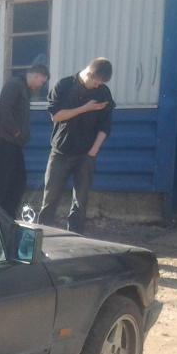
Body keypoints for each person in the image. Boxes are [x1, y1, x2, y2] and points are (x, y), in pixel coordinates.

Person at [35, 58, 115, 233]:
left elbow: (106, 126)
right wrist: (86, 108)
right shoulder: (64, 86)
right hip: (61, 151)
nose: (98, 86)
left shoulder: (103, 92)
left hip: (86, 154)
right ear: (89, 73)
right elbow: (56, 116)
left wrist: (93, 151)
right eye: (96, 82)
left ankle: (76, 236)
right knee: (50, 198)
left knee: (81, 201)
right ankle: (42, 236)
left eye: (101, 83)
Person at [0, 64, 51, 217]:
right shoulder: (14, 85)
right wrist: (17, 132)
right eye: (42, 82)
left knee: (18, 181)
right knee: (5, 180)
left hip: (15, 143)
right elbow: (4, 111)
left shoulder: (24, 88)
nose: (41, 86)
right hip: (6, 142)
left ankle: (8, 214)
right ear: (36, 76)